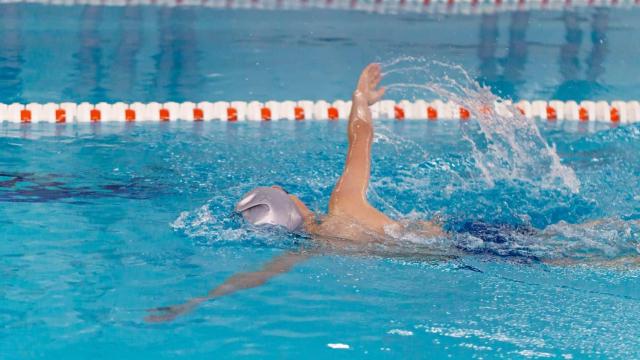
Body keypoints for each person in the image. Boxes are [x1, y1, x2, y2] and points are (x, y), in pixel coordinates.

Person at [145, 64, 639, 323]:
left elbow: (251, 278)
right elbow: (361, 140)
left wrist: (194, 302)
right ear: (293, 206)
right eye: (289, 195)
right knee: (586, 244)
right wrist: (360, 99)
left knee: (577, 255)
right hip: (471, 238)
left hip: (455, 257)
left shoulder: (314, 248)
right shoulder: (342, 204)